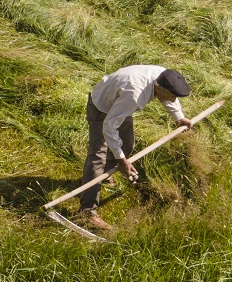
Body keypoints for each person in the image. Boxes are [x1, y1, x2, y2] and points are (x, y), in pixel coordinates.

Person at [79, 65, 192, 231]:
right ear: (159, 88)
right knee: (98, 156)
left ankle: (105, 174)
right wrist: (121, 160)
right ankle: (87, 212)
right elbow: (109, 126)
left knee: (127, 144)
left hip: (119, 102)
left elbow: (167, 96)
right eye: (173, 96)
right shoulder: (134, 95)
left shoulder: (164, 76)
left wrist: (179, 117)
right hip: (102, 106)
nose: (174, 99)